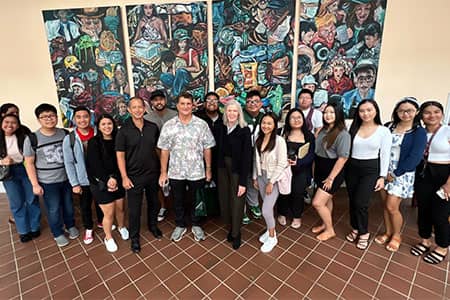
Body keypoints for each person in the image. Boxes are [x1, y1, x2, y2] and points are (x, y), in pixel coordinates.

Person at [158, 93, 215, 243]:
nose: (185, 107)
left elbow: (207, 148)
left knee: (197, 199)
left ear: (193, 106)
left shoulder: (201, 124)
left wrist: (208, 169)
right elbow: (164, 150)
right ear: (177, 106)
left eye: (188, 104)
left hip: (197, 170)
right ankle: (180, 224)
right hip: (176, 171)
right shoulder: (169, 125)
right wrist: (163, 172)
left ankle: (196, 224)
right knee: (178, 199)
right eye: (182, 104)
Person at [23, 103, 79, 247]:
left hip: (67, 178)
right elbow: (29, 163)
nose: (49, 119)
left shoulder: (65, 133)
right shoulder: (32, 138)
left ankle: (70, 225)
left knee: (68, 205)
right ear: (38, 119)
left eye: (52, 115)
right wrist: (35, 184)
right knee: (53, 208)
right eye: (44, 116)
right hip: (48, 182)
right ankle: (57, 232)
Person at [376, 98, 426, 252]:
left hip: (402, 173)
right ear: (396, 112)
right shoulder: (388, 126)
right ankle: (388, 232)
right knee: (385, 205)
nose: (405, 114)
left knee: (392, 206)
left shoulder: (418, 131)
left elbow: (415, 157)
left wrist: (395, 173)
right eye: (401, 110)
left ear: (416, 112)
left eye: (409, 110)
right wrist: (382, 173)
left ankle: (397, 235)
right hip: (383, 171)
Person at [116, 97, 161, 253]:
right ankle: (135, 237)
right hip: (133, 176)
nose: (137, 110)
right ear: (129, 110)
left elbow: (158, 149)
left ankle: (153, 226)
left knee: (154, 203)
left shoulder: (152, 127)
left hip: (152, 173)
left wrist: (162, 170)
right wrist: (124, 177)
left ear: (144, 108)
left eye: (140, 107)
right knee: (134, 209)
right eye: (133, 107)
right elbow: (120, 155)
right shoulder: (123, 130)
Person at [345, 99, 391, 250]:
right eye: (362, 111)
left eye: (369, 110)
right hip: (352, 167)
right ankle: (355, 228)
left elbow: (385, 155)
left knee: (361, 202)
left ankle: (364, 232)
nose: (366, 113)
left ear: (376, 111)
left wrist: (382, 176)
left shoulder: (383, 131)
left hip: (370, 169)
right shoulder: (353, 127)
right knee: (352, 200)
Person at [410, 101, 450, 264]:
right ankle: (425, 240)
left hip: (444, 176)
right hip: (423, 174)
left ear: (442, 114)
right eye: (427, 112)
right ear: (421, 115)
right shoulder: (418, 133)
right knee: (424, 210)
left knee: (440, 214)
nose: (432, 115)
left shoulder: (448, 131)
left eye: (436, 112)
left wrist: (448, 184)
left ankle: (442, 247)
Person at [87, 114, 128, 252]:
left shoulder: (119, 139)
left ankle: (122, 227)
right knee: (109, 212)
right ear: (98, 126)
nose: (107, 127)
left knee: (120, 208)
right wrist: (108, 180)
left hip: (118, 179)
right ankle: (108, 237)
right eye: (103, 124)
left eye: (109, 123)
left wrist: (116, 178)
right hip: (100, 182)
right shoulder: (94, 142)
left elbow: (122, 161)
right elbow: (95, 165)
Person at [63, 106, 104, 245]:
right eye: (78, 117)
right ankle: (88, 228)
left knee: (101, 201)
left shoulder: (98, 133)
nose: (82, 120)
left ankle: (101, 221)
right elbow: (68, 163)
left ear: (90, 118)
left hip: (99, 177)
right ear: (74, 119)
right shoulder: (70, 139)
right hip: (82, 180)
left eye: (85, 116)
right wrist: (74, 183)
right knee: (85, 205)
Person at [312, 103, 350, 241]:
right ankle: (324, 223)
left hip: (332, 171)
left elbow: (343, 158)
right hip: (320, 168)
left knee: (317, 203)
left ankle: (330, 230)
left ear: (338, 114)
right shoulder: (322, 130)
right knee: (327, 199)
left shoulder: (343, 134)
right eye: (325, 112)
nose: (328, 115)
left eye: (332, 112)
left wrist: (331, 178)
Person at [0, 114, 41, 243]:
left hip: (25, 169)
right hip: (8, 173)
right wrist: (1, 161)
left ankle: (35, 227)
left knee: (31, 199)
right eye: (6, 122)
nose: (10, 125)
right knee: (16, 202)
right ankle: (23, 230)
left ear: (18, 125)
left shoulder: (24, 136)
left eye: (13, 123)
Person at [216, 100, 251, 249]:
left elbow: (247, 157)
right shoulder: (220, 128)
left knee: (237, 200)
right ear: (225, 112)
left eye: (234, 111)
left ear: (239, 113)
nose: (231, 113)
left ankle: (236, 233)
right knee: (225, 199)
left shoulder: (244, 130)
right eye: (229, 110)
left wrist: (243, 181)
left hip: (237, 170)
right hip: (222, 169)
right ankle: (231, 227)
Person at [253, 113, 288, 253]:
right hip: (261, 176)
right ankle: (269, 230)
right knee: (268, 208)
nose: (265, 126)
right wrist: (255, 177)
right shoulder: (258, 138)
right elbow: (255, 161)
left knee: (266, 209)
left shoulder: (279, 141)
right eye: (264, 123)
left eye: (269, 123)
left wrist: (271, 182)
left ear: (275, 125)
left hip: (273, 179)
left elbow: (282, 163)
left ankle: (273, 237)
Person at [277, 108, 315, 229]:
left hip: (301, 170)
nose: (296, 120)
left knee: (298, 193)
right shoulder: (282, 132)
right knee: (283, 191)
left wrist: (299, 163)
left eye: (299, 117)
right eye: (293, 118)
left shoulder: (309, 135)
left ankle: (297, 216)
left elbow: (311, 155)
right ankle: (282, 213)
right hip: (284, 169)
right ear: (288, 120)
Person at [143, 89, 177, 222]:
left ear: (165, 100)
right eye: (155, 100)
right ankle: (163, 206)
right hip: (155, 155)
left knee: (176, 182)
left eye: (161, 99)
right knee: (159, 183)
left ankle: (176, 207)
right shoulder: (147, 118)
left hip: (175, 155)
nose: (159, 102)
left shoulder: (175, 114)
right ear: (151, 102)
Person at [242, 90, 264, 223]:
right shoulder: (240, 116)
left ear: (261, 104)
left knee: (254, 179)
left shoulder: (264, 117)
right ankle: (242, 209)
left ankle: (253, 204)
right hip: (243, 154)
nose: (252, 104)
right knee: (241, 180)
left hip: (257, 155)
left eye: (255, 101)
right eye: (249, 102)